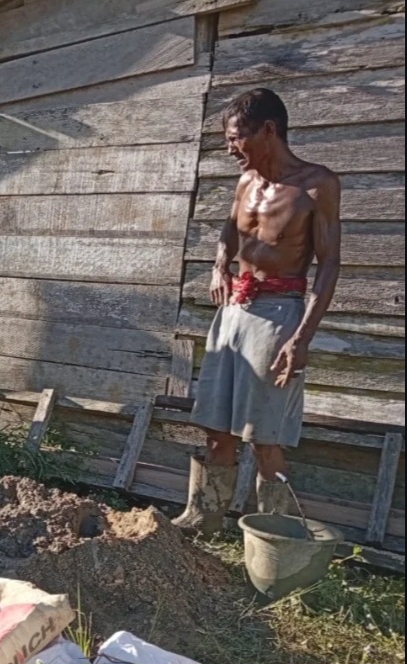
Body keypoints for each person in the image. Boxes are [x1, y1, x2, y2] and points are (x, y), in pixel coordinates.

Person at [173, 88, 342, 537]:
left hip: (279, 314)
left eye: (236, 138)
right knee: (216, 429)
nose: (230, 148)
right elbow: (231, 229)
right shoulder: (246, 181)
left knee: (265, 436)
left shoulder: (317, 185)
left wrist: (301, 338)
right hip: (233, 313)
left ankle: (272, 536)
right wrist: (219, 265)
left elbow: (329, 264)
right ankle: (204, 522)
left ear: (268, 130)